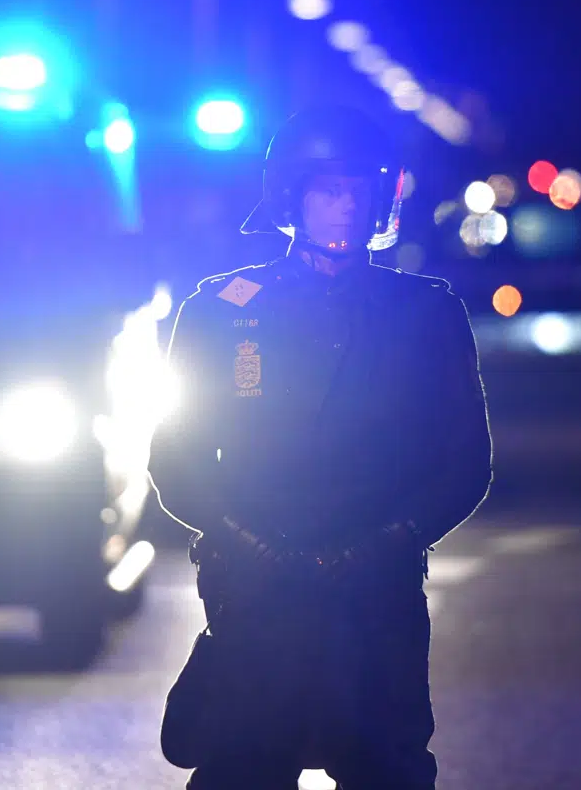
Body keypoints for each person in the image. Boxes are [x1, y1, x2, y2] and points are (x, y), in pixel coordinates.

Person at [150, 105, 493, 789]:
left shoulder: (426, 313)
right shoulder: (221, 309)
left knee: (388, 767)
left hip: (378, 594)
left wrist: (385, 542)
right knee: (241, 765)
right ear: (292, 196)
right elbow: (175, 456)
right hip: (253, 594)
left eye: (360, 189)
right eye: (328, 189)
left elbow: (465, 463)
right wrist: (245, 540)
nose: (345, 206)